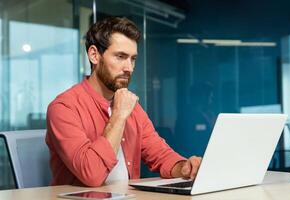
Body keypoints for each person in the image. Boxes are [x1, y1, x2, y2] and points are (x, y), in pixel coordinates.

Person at [45, 16, 201, 187]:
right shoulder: (63, 108)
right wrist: (119, 115)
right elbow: (91, 174)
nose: (129, 68)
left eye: (133, 59)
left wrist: (184, 167)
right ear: (94, 55)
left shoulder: (132, 107)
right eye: (120, 56)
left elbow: (160, 154)